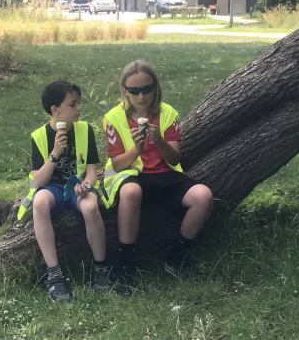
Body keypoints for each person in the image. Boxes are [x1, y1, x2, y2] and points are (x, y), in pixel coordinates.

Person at [103, 60, 214, 296]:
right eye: (134, 91)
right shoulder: (113, 118)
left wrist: (160, 140)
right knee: (131, 192)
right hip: (131, 175)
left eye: (147, 88)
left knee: (203, 196)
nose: (141, 96)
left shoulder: (167, 113)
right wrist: (136, 148)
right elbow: (117, 163)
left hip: (165, 175)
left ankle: (176, 257)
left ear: (155, 87)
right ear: (125, 91)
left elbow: (174, 159)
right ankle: (126, 265)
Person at [17, 81, 110, 302]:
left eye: (79, 103)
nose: (79, 108)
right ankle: (55, 273)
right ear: (55, 109)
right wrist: (55, 153)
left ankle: (100, 266)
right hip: (52, 188)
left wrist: (86, 186)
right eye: (72, 104)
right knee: (39, 202)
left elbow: (91, 172)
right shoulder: (39, 136)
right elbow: (38, 180)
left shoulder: (85, 130)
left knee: (90, 206)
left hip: (78, 186)